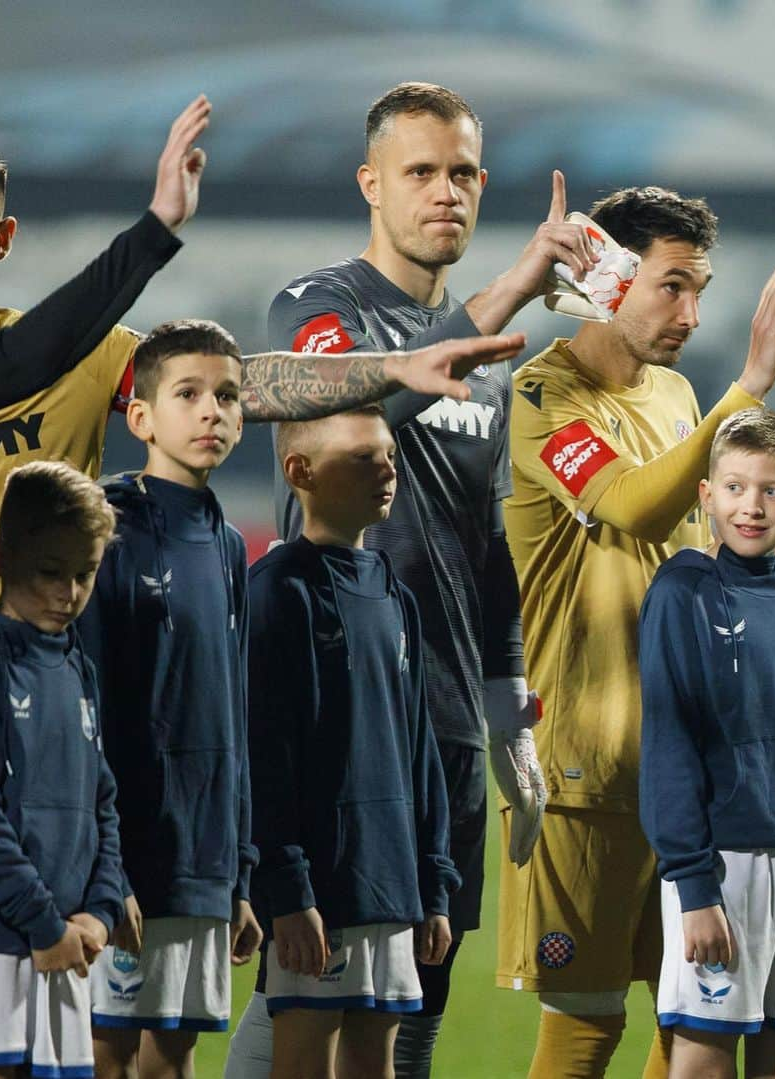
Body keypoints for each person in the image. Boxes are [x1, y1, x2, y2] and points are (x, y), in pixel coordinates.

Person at [227, 81, 590, 1078]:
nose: (446, 192)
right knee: (306, 989)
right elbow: (338, 421)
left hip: (445, 716)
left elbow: (486, 541)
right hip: (341, 696)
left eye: (463, 172)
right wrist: (502, 295)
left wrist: (509, 710)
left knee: (414, 998)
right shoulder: (317, 307)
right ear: (371, 184)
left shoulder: (488, 366)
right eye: (421, 172)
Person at [0, 94, 524, 606]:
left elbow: (236, 387)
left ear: (3, 238)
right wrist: (153, 232)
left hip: (36, 668)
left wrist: (394, 366)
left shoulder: (90, 358)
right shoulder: (44, 349)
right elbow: (25, 357)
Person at [500, 184, 775, 1078]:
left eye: (700, 289)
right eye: (673, 286)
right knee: (587, 1025)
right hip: (587, 760)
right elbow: (627, 504)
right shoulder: (541, 393)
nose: (692, 314)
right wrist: (746, 393)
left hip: (688, 771)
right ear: (610, 274)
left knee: (691, 1021)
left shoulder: (675, 395)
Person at [638, 408, 775, 1079]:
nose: (752, 506)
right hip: (723, 868)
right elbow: (669, 744)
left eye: (771, 489)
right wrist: (694, 888)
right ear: (706, 496)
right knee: (705, 1055)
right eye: (734, 488)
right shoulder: (683, 591)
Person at [249, 406, 461, 1078]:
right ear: (299, 471)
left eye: (390, 454)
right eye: (363, 456)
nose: (387, 467)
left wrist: (433, 883)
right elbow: (265, 751)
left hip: (393, 877)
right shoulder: (279, 588)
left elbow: (417, 747)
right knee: (307, 1052)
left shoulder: (395, 591)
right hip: (322, 882)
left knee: (377, 1056)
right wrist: (288, 886)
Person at [76, 320, 261, 1079]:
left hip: (203, 855)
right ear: (142, 417)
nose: (211, 410)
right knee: (106, 1053)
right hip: (128, 853)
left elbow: (233, 712)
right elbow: (86, 707)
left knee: (175, 1053)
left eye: (226, 395)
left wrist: (239, 871)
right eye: (188, 393)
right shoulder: (106, 528)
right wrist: (102, 868)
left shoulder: (225, 542)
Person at [0, 461, 122, 1078]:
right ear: (0, 557)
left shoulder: (77, 665)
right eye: (50, 573)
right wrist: (43, 923)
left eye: (84, 575)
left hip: (69, 943)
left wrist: (102, 907)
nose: (69, 594)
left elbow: (103, 802)